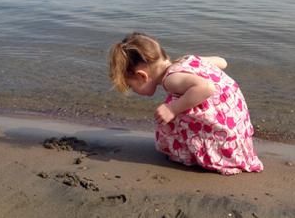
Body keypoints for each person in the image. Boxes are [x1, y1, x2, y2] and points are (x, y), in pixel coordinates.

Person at [109, 32, 263, 175]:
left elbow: (206, 88)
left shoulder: (171, 80)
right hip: (236, 127)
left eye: (130, 85)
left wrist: (173, 109)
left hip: (224, 138)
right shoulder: (188, 60)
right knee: (183, 100)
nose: (132, 90)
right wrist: (199, 62)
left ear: (142, 76)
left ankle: (194, 153)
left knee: (170, 109)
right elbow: (222, 62)